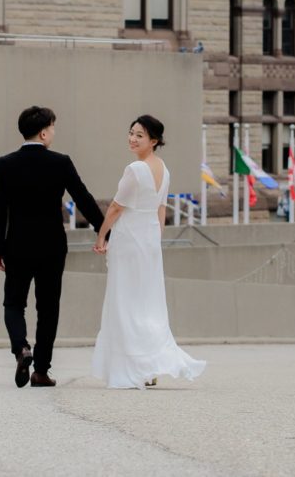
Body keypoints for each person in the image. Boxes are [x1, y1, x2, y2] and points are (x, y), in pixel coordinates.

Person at [0, 105, 105, 388]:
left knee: (14, 303)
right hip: (52, 246)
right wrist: (105, 231)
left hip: (17, 245)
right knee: (48, 307)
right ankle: (41, 371)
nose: (54, 132)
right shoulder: (60, 162)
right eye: (53, 128)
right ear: (44, 132)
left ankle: (21, 348)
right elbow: (83, 198)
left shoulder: (4, 164)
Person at [91, 115, 206, 389]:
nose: (132, 138)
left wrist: (101, 235)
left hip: (129, 239)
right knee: (148, 302)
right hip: (149, 240)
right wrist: (155, 236)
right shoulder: (163, 170)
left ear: (153, 141)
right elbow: (161, 209)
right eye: (131, 133)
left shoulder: (135, 169)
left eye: (139, 135)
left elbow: (117, 208)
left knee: (126, 301)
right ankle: (149, 365)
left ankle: (135, 366)